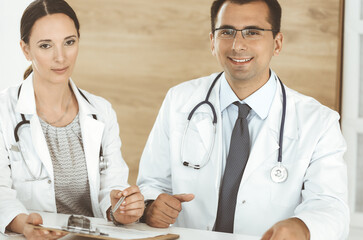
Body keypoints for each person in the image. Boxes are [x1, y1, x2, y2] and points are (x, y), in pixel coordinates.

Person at [137, 0, 349, 239]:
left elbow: (331, 207)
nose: (238, 45)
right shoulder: (179, 100)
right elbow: (151, 183)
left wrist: (302, 227)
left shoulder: (318, 122)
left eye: (252, 32)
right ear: (212, 41)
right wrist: (150, 207)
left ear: (277, 43)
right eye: (226, 32)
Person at [0, 0, 144, 239]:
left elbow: (112, 188)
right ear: (25, 49)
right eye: (45, 46)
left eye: (69, 42)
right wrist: (24, 225)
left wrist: (120, 208)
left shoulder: (101, 111)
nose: (61, 57)